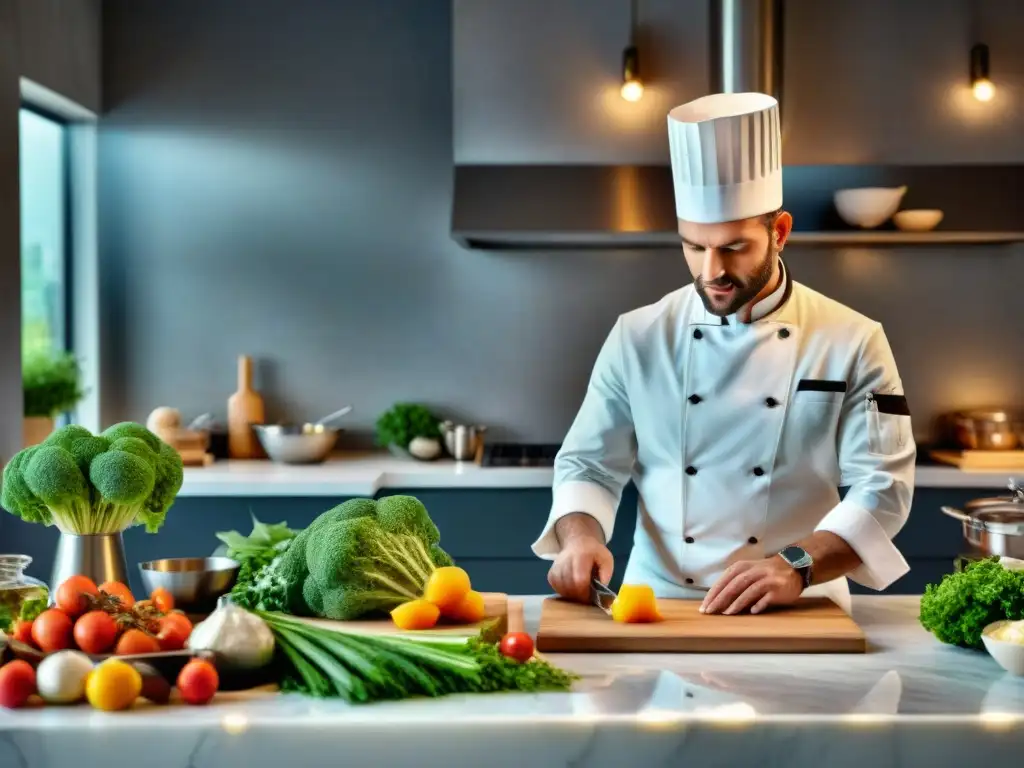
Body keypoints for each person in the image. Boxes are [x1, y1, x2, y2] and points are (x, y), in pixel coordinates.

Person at [531, 92, 916, 616]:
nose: (711, 269)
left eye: (734, 247)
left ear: (779, 233)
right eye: (694, 246)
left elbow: (883, 486)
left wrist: (797, 565)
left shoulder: (853, 338)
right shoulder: (637, 336)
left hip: (800, 604)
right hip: (659, 607)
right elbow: (589, 464)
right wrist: (579, 537)